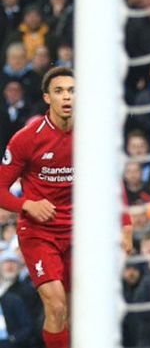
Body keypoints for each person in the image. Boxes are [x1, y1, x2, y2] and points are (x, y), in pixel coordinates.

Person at [0, 67, 134, 348]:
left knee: (77, 314)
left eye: (72, 90)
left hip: (79, 233)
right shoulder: (27, 139)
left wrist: (125, 226)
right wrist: (27, 205)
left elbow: (112, 181)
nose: (67, 97)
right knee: (57, 306)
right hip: (39, 233)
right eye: (59, 91)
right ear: (48, 98)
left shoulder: (93, 136)